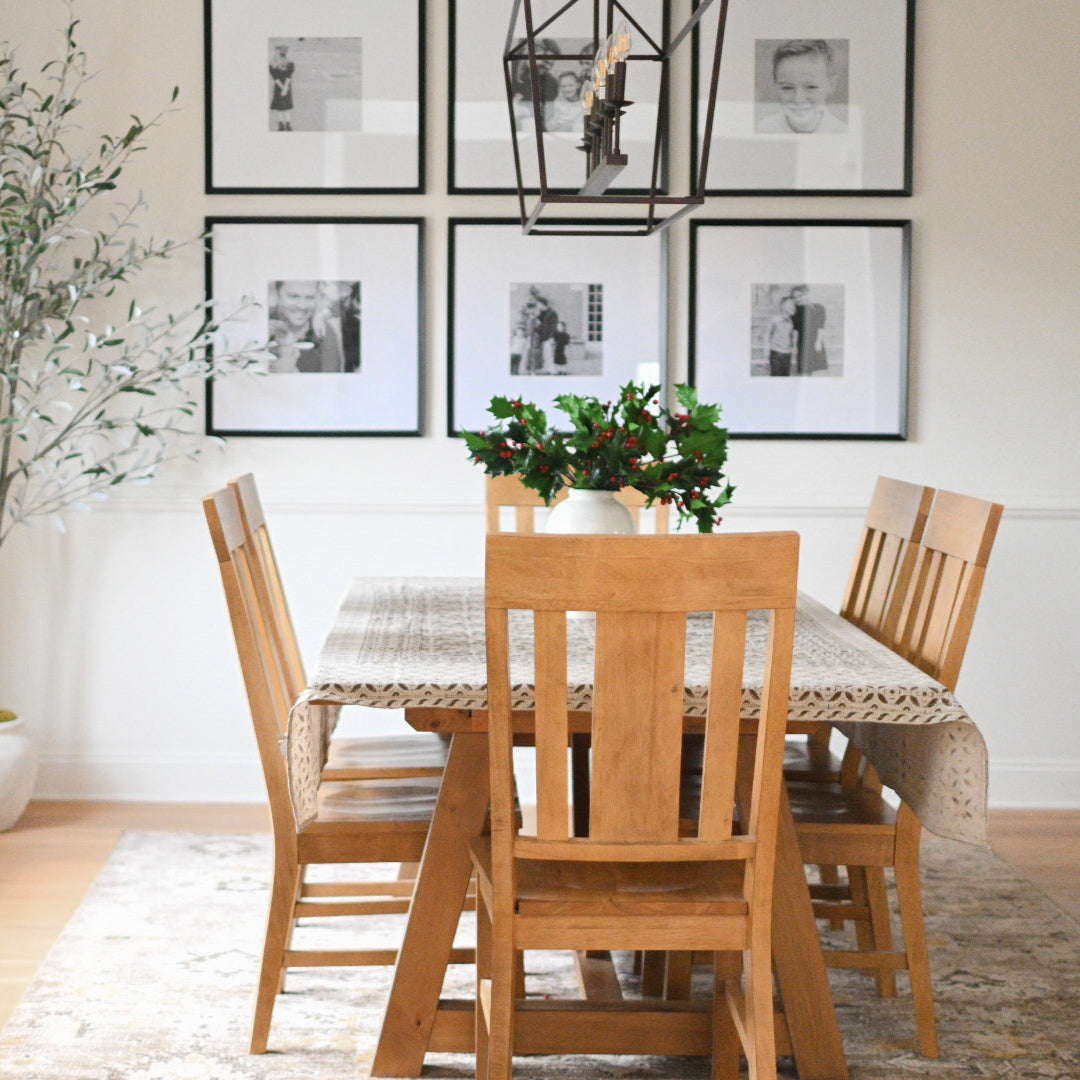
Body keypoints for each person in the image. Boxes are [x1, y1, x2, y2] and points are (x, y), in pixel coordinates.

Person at [758, 39, 846, 135]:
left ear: (831, 85)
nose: (798, 99)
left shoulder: (842, 132)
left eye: (811, 87)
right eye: (787, 88)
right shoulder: (765, 130)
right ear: (776, 87)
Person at [268, 280, 345, 373]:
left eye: (310, 298)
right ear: (277, 295)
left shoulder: (325, 333)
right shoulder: (263, 327)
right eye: (293, 296)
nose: (302, 306)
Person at [510, 38, 560, 131]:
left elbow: (547, 113)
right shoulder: (514, 71)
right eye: (545, 61)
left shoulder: (551, 83)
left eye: (551, 64)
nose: (547, 67)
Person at [791, 285, 828, 374]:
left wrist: (818, 342)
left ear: (807, 294)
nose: (798, 299)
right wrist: (794, 347)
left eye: (800, 296)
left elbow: (821, 327)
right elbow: (795, 331)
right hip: (802, 344)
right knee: (804, 371)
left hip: (815, 342)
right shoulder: (796, 312)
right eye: (795, 297)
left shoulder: (818, 308)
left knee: (818, 370)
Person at [766, 295, 797, 376]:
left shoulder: (792, 322)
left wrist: (793, 349)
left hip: (787, 354)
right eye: (791, 304)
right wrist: (766, 349)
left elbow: (792, 337)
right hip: (776, 353)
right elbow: (767, 334)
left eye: (794, 305)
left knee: (785, 376)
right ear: (783, 306)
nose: (793, 307)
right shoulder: (775, 319)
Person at [269, 44, 295, 132]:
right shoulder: (289, 63)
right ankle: (285, 124)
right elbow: (288, 76)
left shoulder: (273, 64)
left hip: (280, 86)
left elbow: (276, 77)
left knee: (281, 107)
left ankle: (284, 124)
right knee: (284, 106)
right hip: (285, 86)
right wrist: (285, 88)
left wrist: (283, 88)